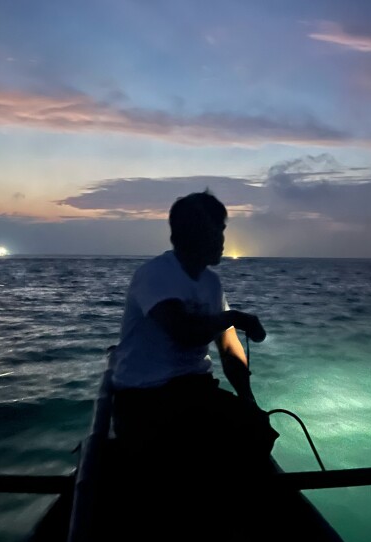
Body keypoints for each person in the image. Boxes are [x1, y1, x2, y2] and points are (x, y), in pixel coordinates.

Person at [109, 190, 277, 539]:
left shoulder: (211, 283)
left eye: (222, 229)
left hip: (194, 389)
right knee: (183, 457)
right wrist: (233, 316)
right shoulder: (155, 275)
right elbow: (182, 331)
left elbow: (229, 349)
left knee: (257, 431)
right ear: (189, 234)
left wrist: (248, 399)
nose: (222, 239)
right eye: (217, 229)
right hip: (145, 396)